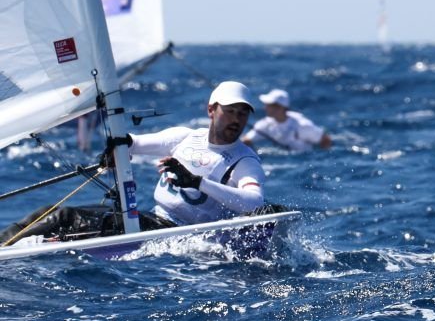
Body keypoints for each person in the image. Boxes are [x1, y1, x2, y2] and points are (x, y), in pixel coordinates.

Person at [0, 81, 269, 247]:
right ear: (211, 110)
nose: (236, 119)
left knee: (63, 218)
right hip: (152, 219)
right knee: (51, 211)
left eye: (243, 113)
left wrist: (197, 181)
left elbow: (255, 202)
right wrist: (118, 146)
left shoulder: (244, 161)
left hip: (179, 235)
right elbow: (134, 142)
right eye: (230, 111)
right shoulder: (185, 138)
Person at [243, 89, 333, 151]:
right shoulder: (265, 124)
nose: (265, 107)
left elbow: (326, 140)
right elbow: (246, 140)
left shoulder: (302, 125)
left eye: (269, 105)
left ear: (280, 108)